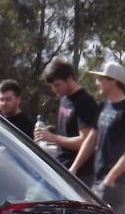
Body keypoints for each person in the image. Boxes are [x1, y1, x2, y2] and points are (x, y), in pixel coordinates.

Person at [88, 59, 125, 212]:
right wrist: (74, 168)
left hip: (117, 183)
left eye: (100, 79)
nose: (96, 82)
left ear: (113, 81)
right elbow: (92, 139)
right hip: (99, 178)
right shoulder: (103, 106)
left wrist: (111, 178)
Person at [35, 57, 99, 185]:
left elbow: (85, 142)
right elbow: (69, 130)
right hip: (61, 166)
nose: (54, 89)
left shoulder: (84, 102)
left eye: (57, 85)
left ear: (69, 79)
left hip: (79, 175)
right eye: (52, 86)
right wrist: (49, 132)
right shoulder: (64, 97)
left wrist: (53, 138)